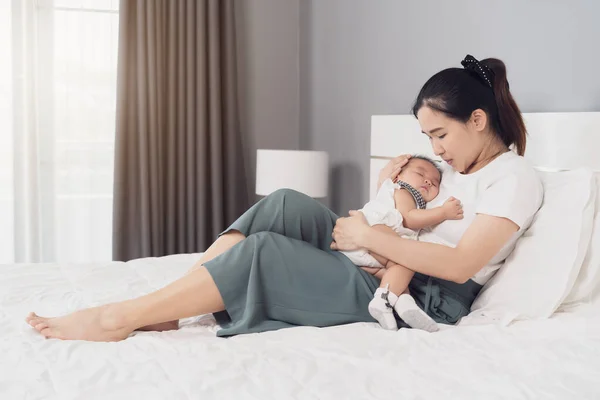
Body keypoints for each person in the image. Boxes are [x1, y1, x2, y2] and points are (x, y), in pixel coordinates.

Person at [25, 54, 543, 342]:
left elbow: (459, 265)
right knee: (286, 202)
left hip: (424, 293)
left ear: (478, 120)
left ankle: (122, 316)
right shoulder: (451, 170)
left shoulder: (514, 178)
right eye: (427, 137)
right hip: (389, 254)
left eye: (441, 135)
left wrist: (369, 237)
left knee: (266, 251)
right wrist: (381, 209)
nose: (435, 149)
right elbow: (407, 218)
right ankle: (167, 305)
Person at [339, 155, 464, 332]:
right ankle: (383, 300)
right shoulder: (403, 190)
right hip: (374, 228)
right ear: (398, 176)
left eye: (435, 182)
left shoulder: (413, 198)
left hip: (366, 251)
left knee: (396, 269)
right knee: (409, 259)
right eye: (420, 173)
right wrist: (443, 212)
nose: (428, 180)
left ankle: (404, 302)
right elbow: (409, 218)